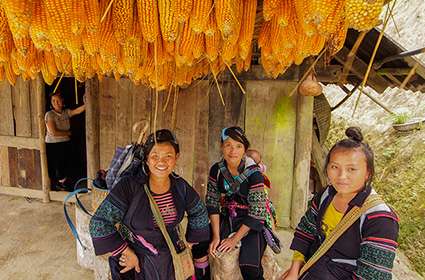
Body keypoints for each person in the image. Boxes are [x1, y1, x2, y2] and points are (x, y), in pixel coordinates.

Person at [89, 129, 210, 280]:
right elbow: (98, 223)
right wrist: (126, 252)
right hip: (135, 261)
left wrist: (190, 242)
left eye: (168, 156)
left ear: (176, 158)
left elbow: (199, 211)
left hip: (169, 260)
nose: (161, 162)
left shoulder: (180, 186)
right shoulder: (129, 186)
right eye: (155, 156)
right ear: (146, 158)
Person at [282, 127, 399, 280]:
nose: (342, 176)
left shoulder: (380, 219)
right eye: (335, 167)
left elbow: (372, 275)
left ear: (368, 173)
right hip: (310, 269)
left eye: (352, 169)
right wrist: (294, 270)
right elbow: (306, 231)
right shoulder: (326, 195)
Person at [203, 126, 269, 280]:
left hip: (250, 224)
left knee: (249, 267)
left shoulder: (254, 174)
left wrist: (234, 239)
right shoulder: (217, 170)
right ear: (222, 147)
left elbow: (257, 213)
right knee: (201, 245)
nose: (233, 151)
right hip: (227, 218)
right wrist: (216, 236)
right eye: (228, 145)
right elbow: (212, 203)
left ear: (244, 149)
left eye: (238, 146)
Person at [45, 92, 85, 191]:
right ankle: (59, 185)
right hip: (54, 144)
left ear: (63, 102)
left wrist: (86, 103)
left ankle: (63, 183)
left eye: (58, 100)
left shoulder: (65, 112)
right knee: (58, 165)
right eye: (53, 101)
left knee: (66, 163)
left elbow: (77, 111)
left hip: (65, 142)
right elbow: (53, 133)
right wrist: (69, 133)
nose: (55, 103)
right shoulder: (50, 115)